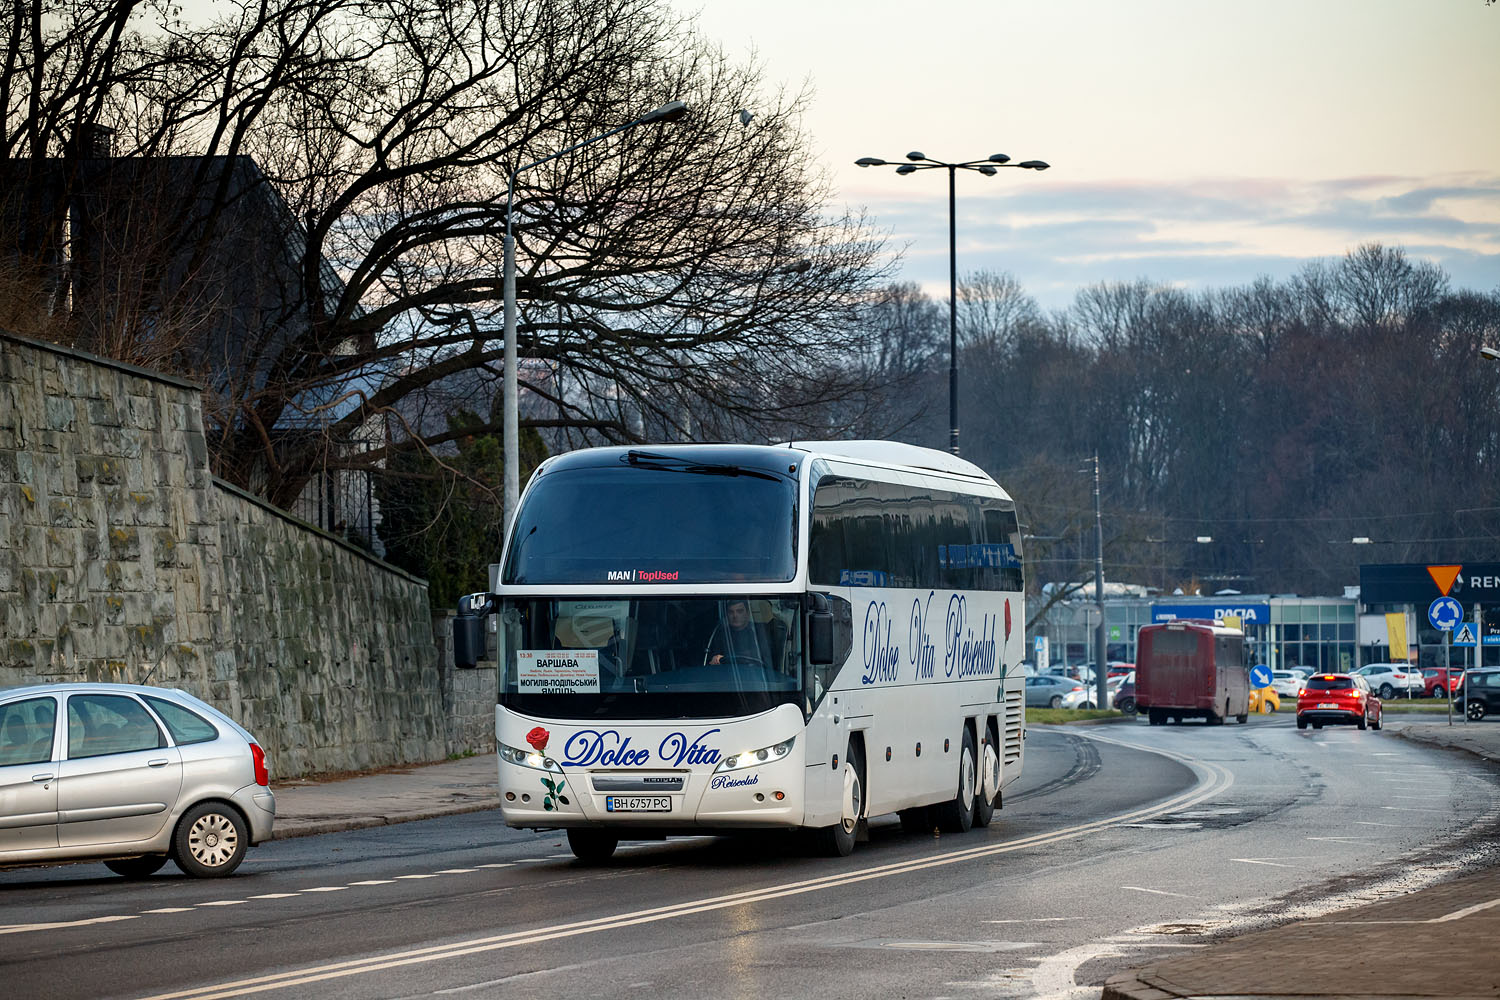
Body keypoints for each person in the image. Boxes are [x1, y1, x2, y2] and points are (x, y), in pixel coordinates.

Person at [705, 599, 783, 671]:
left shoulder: (760, 631)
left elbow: (767, 658)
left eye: (739, 611)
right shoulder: (721, 634)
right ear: (727, 615)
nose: (735, 616)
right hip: (728, 677)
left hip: (758, 677)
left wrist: (726, 658)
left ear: (747, 613)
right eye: (731, 612)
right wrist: (715, 659)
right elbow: (712, 661)